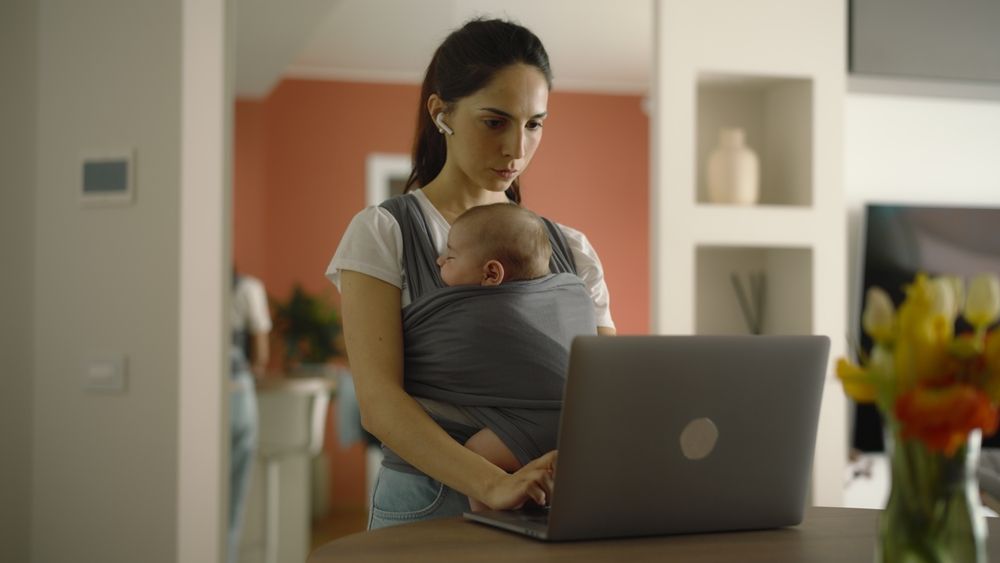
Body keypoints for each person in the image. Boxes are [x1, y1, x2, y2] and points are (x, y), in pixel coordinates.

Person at [326, 18, 615, 529]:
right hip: (429, 504)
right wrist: (492, 483)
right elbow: (379, 404)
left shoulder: (572, 248)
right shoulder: (384, 233)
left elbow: (609, 387)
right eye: (494, 121)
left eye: (534, 124)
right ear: (442, 114)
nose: (517, 149)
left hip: (553, 497)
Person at [229, 270, 272, 563]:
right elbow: (260, 349)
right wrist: (257, 371)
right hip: (236, 391)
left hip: (196, 396)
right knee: (232, 496)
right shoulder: (248, 288)